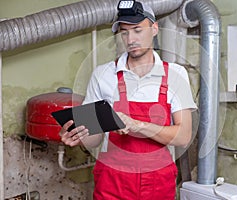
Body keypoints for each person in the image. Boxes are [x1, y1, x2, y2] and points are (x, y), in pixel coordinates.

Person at [60, 0, 197, 199]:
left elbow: (183, 136)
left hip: (157, 182)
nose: (131, 39)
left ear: (154, 28)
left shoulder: (176, 74)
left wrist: (136, 125)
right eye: (124, 32)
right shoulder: (103, 74)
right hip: (112, 181)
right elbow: (95, 138)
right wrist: (78, 134)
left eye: (137, 30)